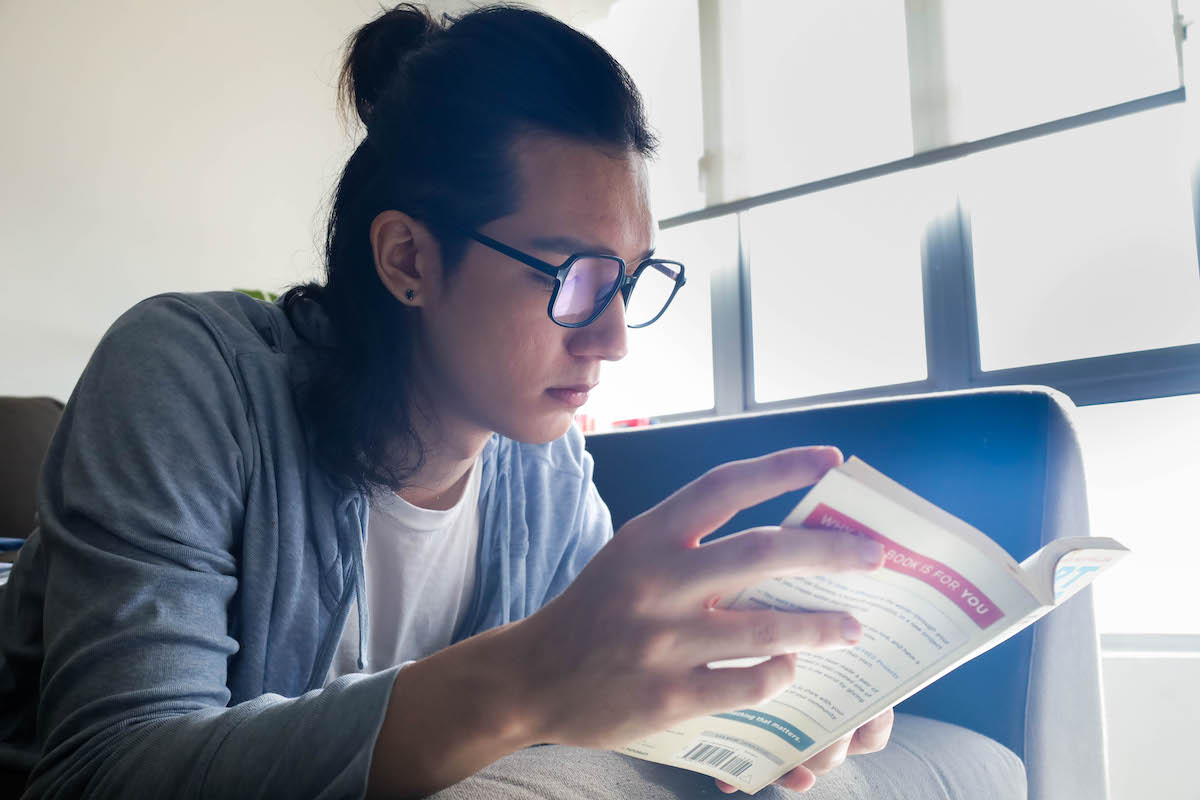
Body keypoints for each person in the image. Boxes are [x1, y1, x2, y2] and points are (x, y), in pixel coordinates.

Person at [0, 4, 897, 797]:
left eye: (630, 278)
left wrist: (749, 700)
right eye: (576, 276)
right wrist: (528, 677)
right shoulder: (188, 378)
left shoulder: (545, 468)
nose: (614, 337)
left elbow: (599, 697)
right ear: (409, 261)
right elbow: (102, 770)